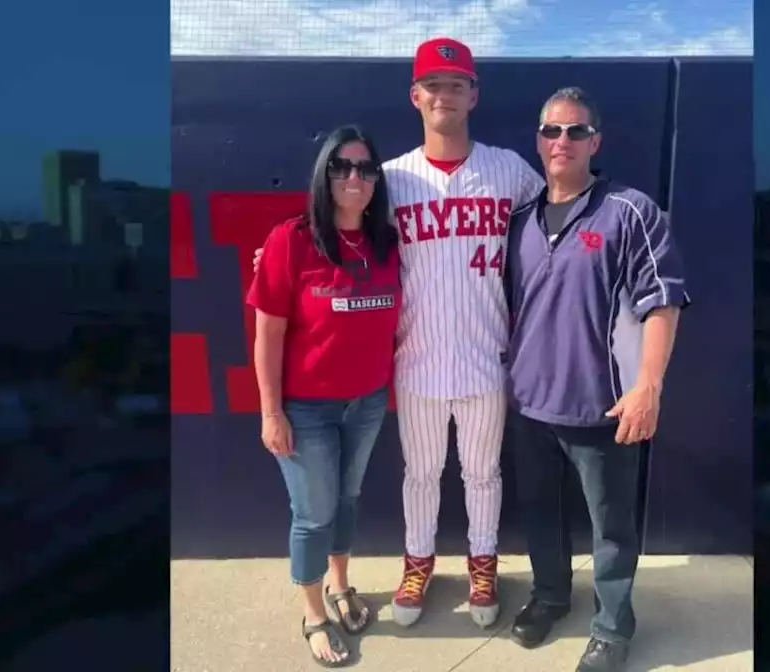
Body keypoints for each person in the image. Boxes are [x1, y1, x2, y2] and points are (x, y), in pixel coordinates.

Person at [255, 37, 544, 630]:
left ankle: (482, 562)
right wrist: (271, 251)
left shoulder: (510, 169)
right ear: (416, 96)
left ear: (473, 95)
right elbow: (333, 234)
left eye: (456, 84)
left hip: (488, 356)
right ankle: (418, 564)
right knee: (420, 474)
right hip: (414, 360)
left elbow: (555, 223)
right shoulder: (389, 181)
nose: (445, 94)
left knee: (483, 474)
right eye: (434, 85)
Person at [502, 87, 691, 672]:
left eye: (576, 132)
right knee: (541, 514)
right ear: (538, 140)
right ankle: (551, 596)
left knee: (610, 527)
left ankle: (613, 626)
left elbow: (665, 304)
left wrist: (648, 387)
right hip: (531, 402)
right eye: (552, 131)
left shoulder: (630, 212)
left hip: (603, 406)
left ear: (595, 142)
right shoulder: (518, 222)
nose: (562, 142)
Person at [248, 124, 402, 668]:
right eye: (341, 167)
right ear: (324, 175)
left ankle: (340, 585)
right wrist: (271, 412)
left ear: (377, 178)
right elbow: (267, 333)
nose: (354, 177)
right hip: (306, 409)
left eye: (365, 167)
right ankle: (314, 611)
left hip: (367, 402)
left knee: (347, 500)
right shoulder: (291, 239)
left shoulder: (388, 241)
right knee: (313, 513)